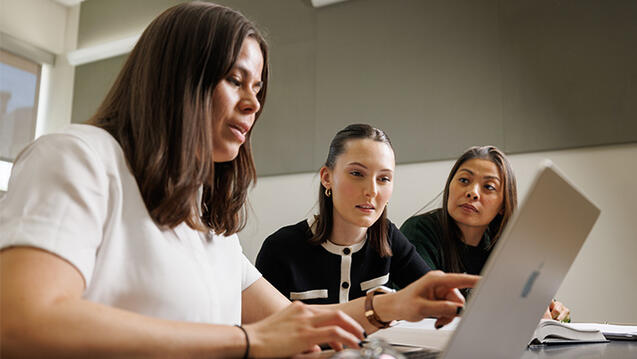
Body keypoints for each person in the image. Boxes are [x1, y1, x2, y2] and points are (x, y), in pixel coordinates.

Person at [0, 3, 478, 358]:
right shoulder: (79, 157)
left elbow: (293, 323)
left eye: (258, 89)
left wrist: (392, 307)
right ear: (178, 77)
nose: (253, 104)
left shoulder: (206, 218)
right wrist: (245, 341)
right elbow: (21, 319)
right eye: (235, 79)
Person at [256, 124, 431, 305]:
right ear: (327, 178)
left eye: (384, 178)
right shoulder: (280, 249)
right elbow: (263, 328)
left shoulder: (389, 237)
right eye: (357, 173)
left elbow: (438, 297)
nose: (372, 191)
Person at [400, 145, 570, 321]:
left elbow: (532, 299)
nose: (472, 193)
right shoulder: (419, 231)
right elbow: (428, 310)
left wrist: (554, 310)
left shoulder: (505, 246)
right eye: (464, 180)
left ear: (503, 206)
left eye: (488, 187)